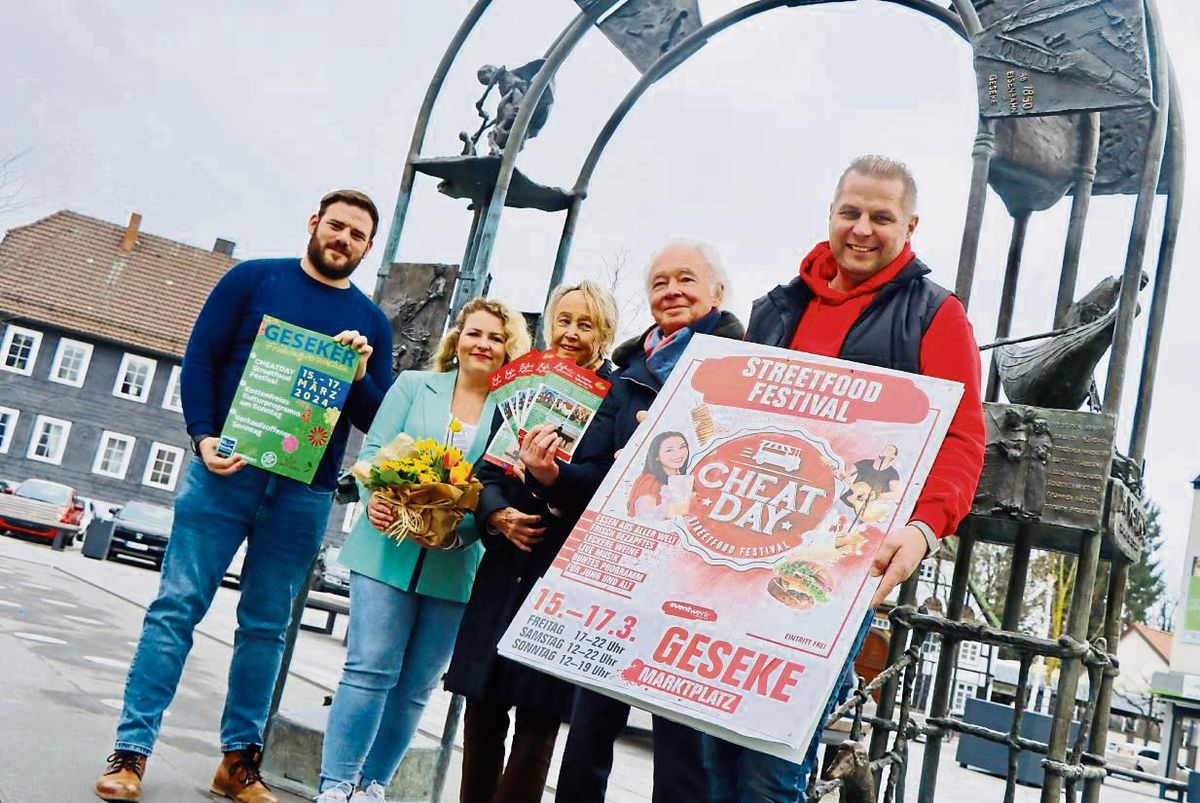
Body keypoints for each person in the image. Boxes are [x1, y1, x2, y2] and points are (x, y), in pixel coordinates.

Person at [95, 190, 394, 803]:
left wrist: (362, 376)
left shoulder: (371, 323)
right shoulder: (251, 280)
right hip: (223, 473)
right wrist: (202, 436)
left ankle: (238, 762)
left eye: (356, 235)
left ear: (367, 248)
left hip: (304, 492)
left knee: (266, 629)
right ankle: (131, 753)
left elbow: (376, 417)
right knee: (176, 608)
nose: (342, 239)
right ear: (313, 224)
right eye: (335, 226)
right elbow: (200, 359)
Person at [703, 155, 985, 802]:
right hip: (745, 551)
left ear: (909, 225)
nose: (862, 228)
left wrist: (922, 530)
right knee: (711, 747)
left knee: (774, 758)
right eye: (850, 212)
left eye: (881, 217)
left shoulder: (935, 316)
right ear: (830, 214)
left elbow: (964, 438)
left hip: (836, 571)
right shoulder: (775, 309)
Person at [522, 240, 744, 803]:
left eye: (686, 280)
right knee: (589, 727)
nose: (671, 291)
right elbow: (593, 470)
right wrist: (550, 476)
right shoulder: (627, 375)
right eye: (660, 282)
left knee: (682, 744)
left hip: (698, 577)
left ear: (717, 292)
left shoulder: (749, 366)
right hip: (620, 570)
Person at [316, 297, 532, 803]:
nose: (483, 344)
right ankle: (336, 783)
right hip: (384, 547)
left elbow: (502, 489)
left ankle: (373, 786)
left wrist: (465, 534)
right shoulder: (414, 387)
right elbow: (373, 453)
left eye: (496, 338)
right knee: (369, 667)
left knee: (416, 686)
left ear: (509, 350)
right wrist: (374, 501)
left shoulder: (515, 413)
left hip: (455, 565)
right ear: (456, 338)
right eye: (474, 332)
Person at [444, 281, 619, 803]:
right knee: (482, 710)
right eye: (563, 321)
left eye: (585, 324)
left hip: (560, 577)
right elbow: (486, 470)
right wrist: (496, 514)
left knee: (538, 723)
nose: (571, 333)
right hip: (503, 569)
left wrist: (551, 478)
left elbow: (605, 480)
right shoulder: (529, 383)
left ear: (605, 332)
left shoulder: (616, 396)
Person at [628, 430, 690, 517]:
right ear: (656, 456)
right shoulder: (649, 481)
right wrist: (667, 507)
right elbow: (644, 518)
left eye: (682, 447)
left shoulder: (680, 478)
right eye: (669, 450)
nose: (679, 454)